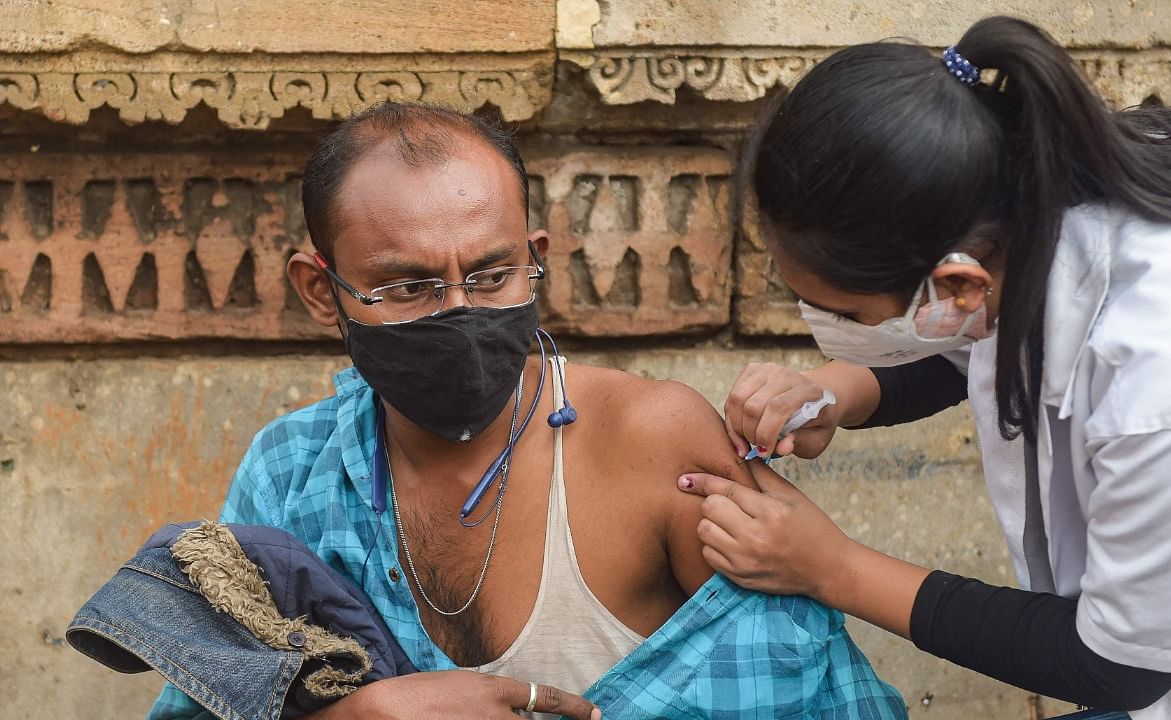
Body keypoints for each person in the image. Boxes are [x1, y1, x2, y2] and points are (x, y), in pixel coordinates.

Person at [149, 102, 906, 720]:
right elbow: (206, 703)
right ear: (323, 292)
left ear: (536, 257)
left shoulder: (655, 441)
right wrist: (363, 717)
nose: (459, 313)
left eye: (491, 275)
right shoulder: (293, 473)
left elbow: (817, 697)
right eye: (407, 288)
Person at [677, 15, 1171, 720]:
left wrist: (830, 567)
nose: (835, 333)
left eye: (850, 314)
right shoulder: (1029, 193)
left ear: (956, 284)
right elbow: (978, 344)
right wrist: (834, 393)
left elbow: (1118, 667)